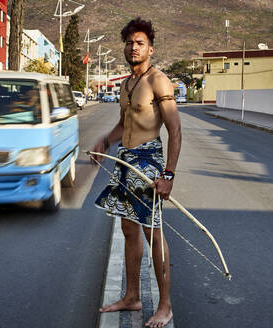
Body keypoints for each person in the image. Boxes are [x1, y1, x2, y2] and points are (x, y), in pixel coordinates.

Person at [92, 17, 181, 327]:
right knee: (129, 230)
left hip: (148, 162)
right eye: (129, 42)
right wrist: (106, 140)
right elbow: (123, 125)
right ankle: (132, 296)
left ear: (151, 48)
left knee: (153, 233)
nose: (133, 47)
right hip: (126, 160)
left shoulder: (159, 81)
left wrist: (168, 175)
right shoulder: (127, 83)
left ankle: (166, 305)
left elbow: (175, 130)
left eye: (139, 42)